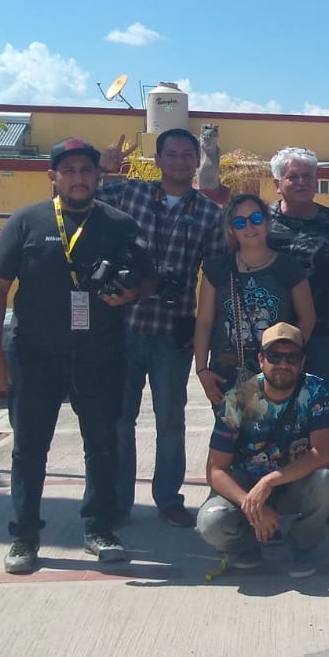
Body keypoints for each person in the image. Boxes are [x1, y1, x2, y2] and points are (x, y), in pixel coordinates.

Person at [0, 138, 152, 575]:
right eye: (69, 170)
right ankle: (24, 536)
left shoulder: (119, 223)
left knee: (103, 446)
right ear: (53, 176)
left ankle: (99, 528)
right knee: (28, 448)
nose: (79, 178)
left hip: (101, 354)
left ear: (98, 176)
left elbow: (147, 279)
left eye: (86, 170)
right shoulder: (26, 222)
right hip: (35, 355)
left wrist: (130, 293)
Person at [96, 128, 226, 529]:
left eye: (188, 155)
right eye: (172, 154)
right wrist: (102, 169)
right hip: (123, 327)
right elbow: (78, 206)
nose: (180, 161)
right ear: (157, 160)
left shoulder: (210, 214)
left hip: (173, 332)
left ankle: (168, 498)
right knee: (121, 419)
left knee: (170, 420)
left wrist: (203, 331)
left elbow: (216, 277)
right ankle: (119, 501)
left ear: (197, 161)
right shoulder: (127, 194)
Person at [196, 323, 329, 578]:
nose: (283, 364)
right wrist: (251, 503)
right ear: (261, 360)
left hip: (293, 482)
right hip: (247, 484)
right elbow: (216, 469)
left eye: (291, 358)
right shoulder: (237, 398)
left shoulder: (315, 390)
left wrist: (269, 481)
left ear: (302, 361)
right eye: (274, 357)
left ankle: (302, 544)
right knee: (211, 523)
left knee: (327, 482)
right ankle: (246, 547)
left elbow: (323, 453)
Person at [266, 147, 329, 523]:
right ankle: (272, 491)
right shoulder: (261, 222)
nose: (301, 182)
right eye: (293, 176)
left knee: (325, 413)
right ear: (277, 183)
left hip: (321, 337)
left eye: (308, 176)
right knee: (270, 414)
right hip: (268, 340)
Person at [194, 195, 315, 402]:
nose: (249, 227)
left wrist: (288, 358)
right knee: (230, 425)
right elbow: (204, 322)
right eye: (240, 222)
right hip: (227, 376)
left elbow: (307, 318)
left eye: (256, 219)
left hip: (277, 376)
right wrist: (201, 370)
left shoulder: (288, 267)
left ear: (267, 222)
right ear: (231, 229)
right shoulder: (217, 268)